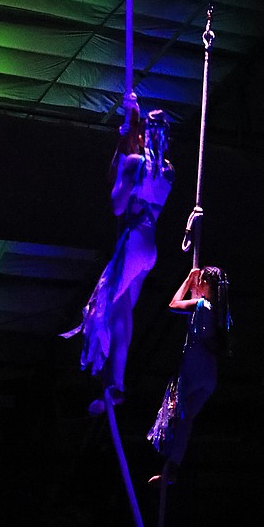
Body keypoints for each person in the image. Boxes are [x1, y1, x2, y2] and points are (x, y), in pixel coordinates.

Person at [63, 93, 173, 413]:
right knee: (123, 314)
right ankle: (116, 385)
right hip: (149, 249)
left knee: (100, 308)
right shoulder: (167, 170)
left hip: (133, 244)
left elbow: (116, 205)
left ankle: (100, 368)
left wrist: (122, 154)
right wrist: (125, 143)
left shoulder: (136, 163)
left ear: (143, 135)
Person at [147, 265, 231, 485]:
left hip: (194, 366)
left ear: (204, 283)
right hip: (209, 373)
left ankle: (168, 461)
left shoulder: (201, 305)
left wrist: (187, 280)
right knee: (185, 420)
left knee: (176, 414)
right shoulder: (219, 311)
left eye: (199, 280)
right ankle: (172, 468)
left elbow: (173, 304)